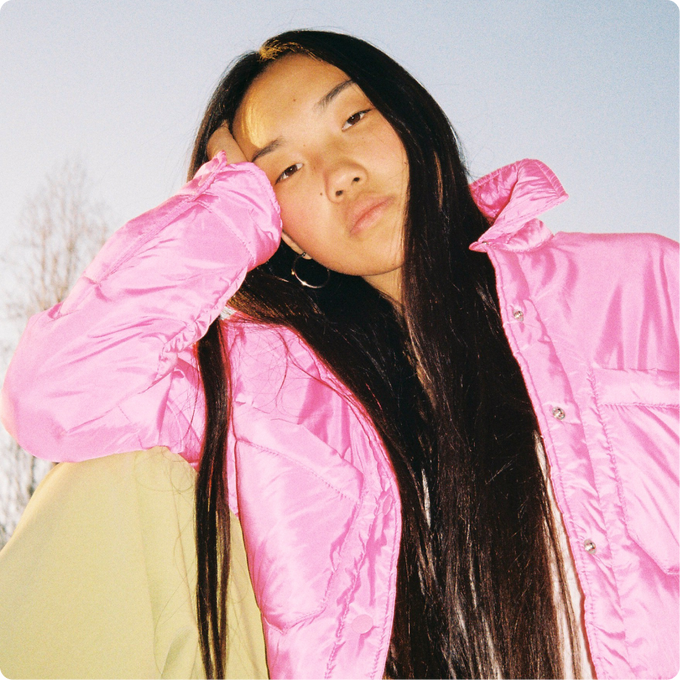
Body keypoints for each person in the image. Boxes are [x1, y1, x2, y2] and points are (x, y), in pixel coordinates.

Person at [1, 29, 679, 680]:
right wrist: (227, 204)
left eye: (354, 118)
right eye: (287, 170)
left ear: (411, 119)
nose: (340, 174)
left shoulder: (641, 285)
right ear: (283, 230)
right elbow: (55, 395)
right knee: (110, 478)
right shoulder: (267, 389)